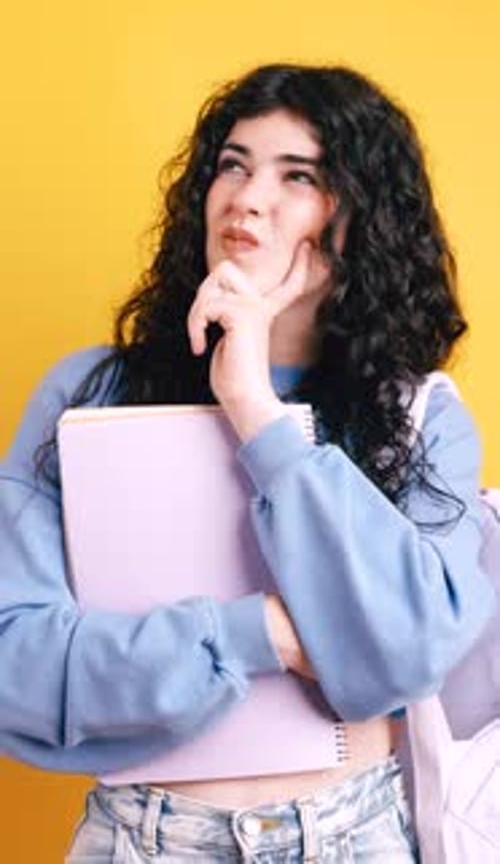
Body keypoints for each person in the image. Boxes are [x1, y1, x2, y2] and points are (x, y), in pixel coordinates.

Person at [0, 63, 495, 862]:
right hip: (142, 841)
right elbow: (15, 671)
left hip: (354, 837)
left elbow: (401, 660)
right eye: (233, 164)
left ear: (363, 217)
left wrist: (256, 409)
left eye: (298, 175)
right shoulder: (90, 397)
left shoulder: (421, 416)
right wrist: (254, 632)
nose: (246, 196)